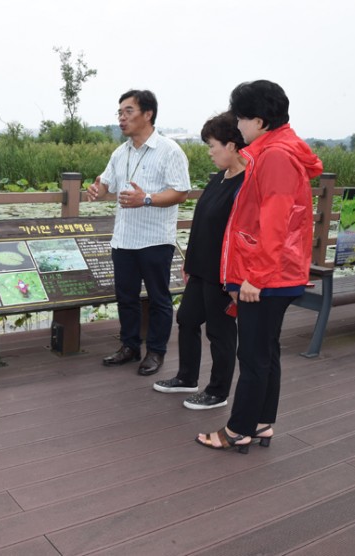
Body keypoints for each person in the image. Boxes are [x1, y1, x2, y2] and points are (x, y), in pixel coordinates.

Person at [197, 80, 323, 452]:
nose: (237, 125)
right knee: (266, 351)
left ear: (260, 120)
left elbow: (275, 224)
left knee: (252, 355)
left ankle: (238, 429)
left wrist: (254, 277)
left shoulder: (276, 157)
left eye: (241, 117)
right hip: (274, 273)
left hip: (267, 276)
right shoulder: (273, 151)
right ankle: (263, 421)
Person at [88, 89, 191, 376]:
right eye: (120, 112)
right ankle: (130, 346)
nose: (122, 118)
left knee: (159, 298)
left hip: (155, 239)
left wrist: (146, 198)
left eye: (128, 111)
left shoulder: (169, 150)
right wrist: (97, 190)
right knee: (126, 297)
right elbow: (105, 182)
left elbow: (181, 192)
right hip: (123, 239)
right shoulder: (120, 153)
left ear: (148, 114)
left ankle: (155, 352)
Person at [153, 112, 245, 409]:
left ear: (231, 145)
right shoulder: (219, 178)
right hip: (200, 265)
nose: (209, 152)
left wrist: (236, 275)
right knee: (187, 319)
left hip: (223, 271)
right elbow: (202, 221)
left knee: (219, 330)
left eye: (213, 145)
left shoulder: (246, 184)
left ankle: (218, 391)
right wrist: (188, 261)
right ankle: (187, 377)